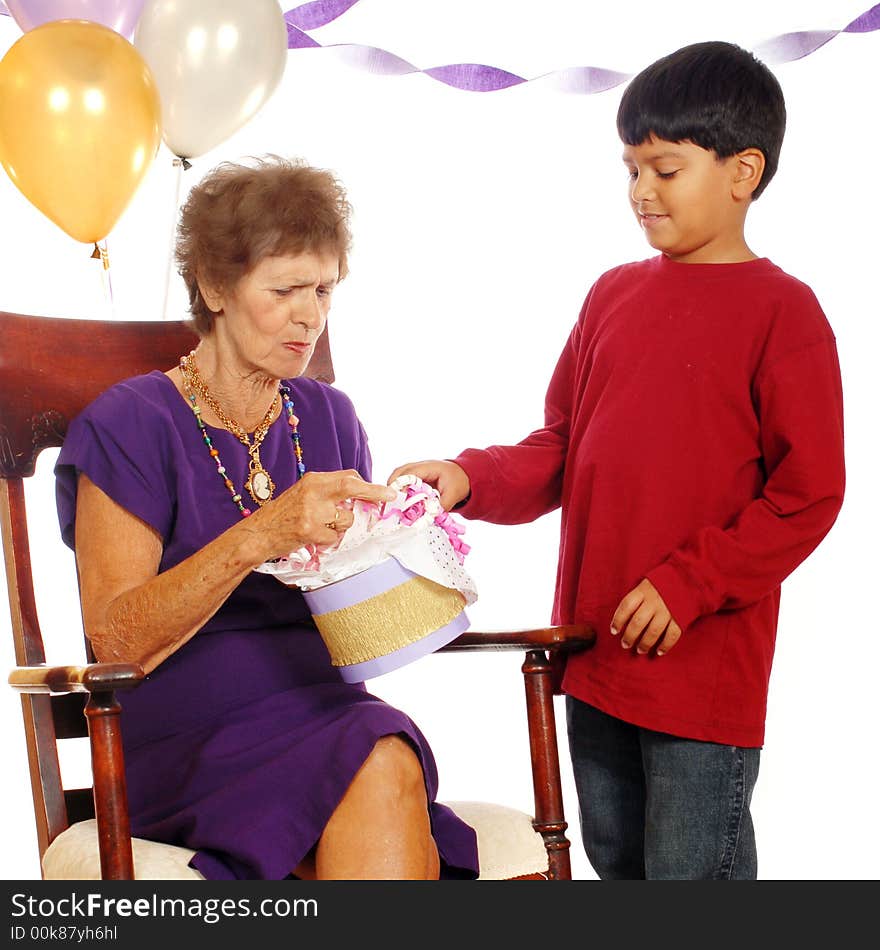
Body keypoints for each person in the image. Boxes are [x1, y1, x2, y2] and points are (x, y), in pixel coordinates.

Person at [390, 41, 845, 879]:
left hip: (700, 675)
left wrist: (690, 583)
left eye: (665, 170)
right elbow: (561, 445)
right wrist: (468, 478)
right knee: (616, 866)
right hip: (595, 657)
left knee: (690, 877)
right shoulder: (612, 294)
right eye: (631, 170)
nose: (641, 192)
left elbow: (808, 495)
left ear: (743, 172)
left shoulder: (785, 313)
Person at [55, 156, 479, 881]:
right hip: (183, 731)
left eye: (323, 289)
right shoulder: (130, 422)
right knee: (379, 760)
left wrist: (411, 549)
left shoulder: (329, 416)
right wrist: (262, 533)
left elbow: (351, 612)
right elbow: (116, 637)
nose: (310, 314)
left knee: (378, 756)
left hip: (322, 711)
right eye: (284, 289)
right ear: (215, 287)